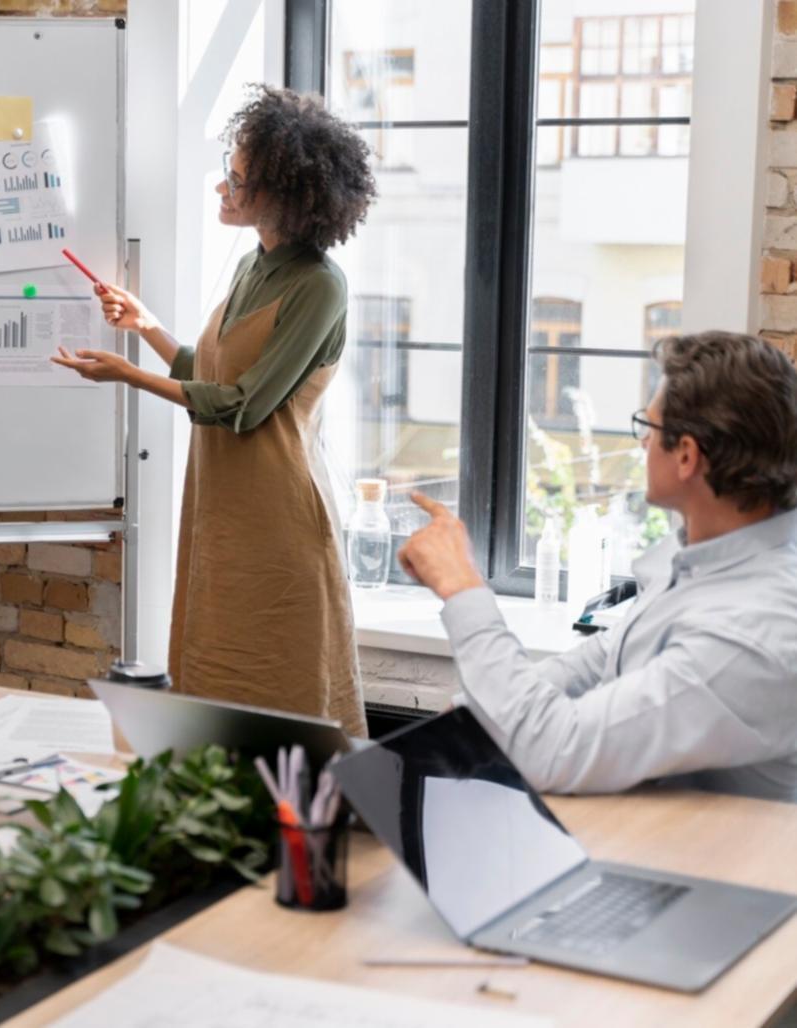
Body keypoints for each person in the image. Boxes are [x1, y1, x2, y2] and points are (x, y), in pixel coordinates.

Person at [53, 87, 376, 735]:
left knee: (283, 689)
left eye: (237, 178)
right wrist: (145, 326)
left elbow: (243, 406)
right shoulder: (254, 266)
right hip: (222, 510)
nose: (223, 187)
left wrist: (126, 374)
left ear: (283, 194)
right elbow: (210, 371)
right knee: (215, 671)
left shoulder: (320, 285)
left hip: (279, 518)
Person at [397, 331, 797, 799]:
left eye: (647, 427)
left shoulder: (751, 632)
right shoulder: (702, 560)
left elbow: (559, 750)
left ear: (687, 455)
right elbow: (603, 659)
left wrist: (462, 587)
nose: (642, 443)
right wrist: (480, 710)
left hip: (702, 848)